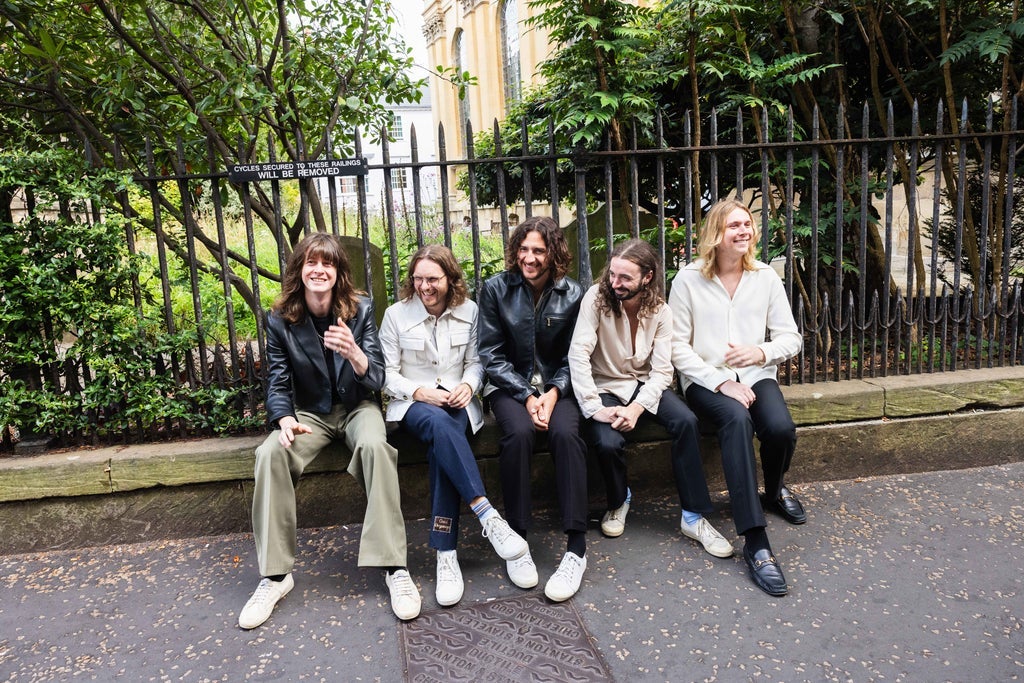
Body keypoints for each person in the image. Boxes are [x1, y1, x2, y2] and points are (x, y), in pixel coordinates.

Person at [239, 232, 420, 630]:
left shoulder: (360, 310)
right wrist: (283, 418)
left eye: (328, 264)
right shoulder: (281, 317)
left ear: (338, 273)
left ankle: (394, 568)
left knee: (375, 446)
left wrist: (354, 352)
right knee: (270, 453)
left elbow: (376, 378)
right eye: (311, 263)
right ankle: (275, 577)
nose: (319, 270)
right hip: (309, 414)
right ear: (300, 270)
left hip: (358, 407)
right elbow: (278, 379)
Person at [668, 198, 805, 597]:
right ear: (716, 235)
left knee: (780, 429)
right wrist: (719, 381)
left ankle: (775, 489)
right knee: (737, 420)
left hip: (755, 374)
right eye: (734, 226)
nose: (744, 231)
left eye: (747, 224)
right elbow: (677, 347)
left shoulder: (765, 277)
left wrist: (761, 352)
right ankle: (756, 540)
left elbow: (791, 337)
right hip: (706, 382)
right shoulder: (688, 279)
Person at [379, 244, 528, 608]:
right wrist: (419, 391)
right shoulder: (396, 316)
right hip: (412, 406)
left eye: (432, 279)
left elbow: (478, 361)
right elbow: (386, 374)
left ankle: (446, 553)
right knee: (438, 423)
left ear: (450, 278)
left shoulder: (470, 311)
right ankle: (487, 514)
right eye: (418, 279)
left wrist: (468, 385)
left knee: (443, 439)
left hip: (457, 402)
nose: (424, 287)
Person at [568, 238, 733, 559]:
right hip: (602, 385)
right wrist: (593, 408)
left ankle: (693, 516)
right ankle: (619, 501)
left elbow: (661, 372)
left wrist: (637, 408)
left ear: (647, 277)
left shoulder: (660, 311)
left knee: (686, 421)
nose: (615, 283)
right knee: (607, 442)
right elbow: (578, 355)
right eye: (612, 274)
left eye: (625, 278)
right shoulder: (595, 299)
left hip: (642, 385)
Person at [477, 216, 590, 602]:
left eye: (539, 251)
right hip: (509, 387)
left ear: (553, 253)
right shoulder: (495, 289)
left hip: (560, 388)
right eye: (523, 249)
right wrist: (527, 395)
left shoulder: (573, 294)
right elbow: (490, 354)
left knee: (565, 434)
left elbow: (576, 356)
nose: (529, 258)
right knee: (519, 433)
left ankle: (576, 546)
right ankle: (517, 538)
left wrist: (554, 393)